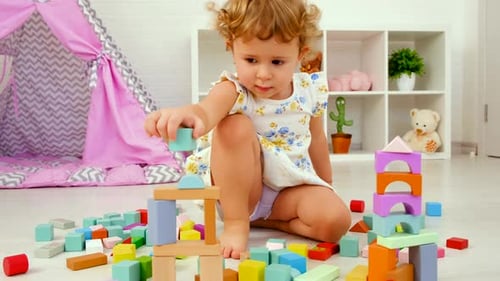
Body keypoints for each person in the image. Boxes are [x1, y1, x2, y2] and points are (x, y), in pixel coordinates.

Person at [144, 0, 351, 259]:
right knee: (234, 125)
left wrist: (326, 187)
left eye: (277, 62)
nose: (263, 74)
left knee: (336, 221)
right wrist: (186, 115)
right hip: (242, 193)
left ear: (299, 55)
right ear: (231, 49)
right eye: (251, 59)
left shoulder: (311, 91)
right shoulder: (233, 89)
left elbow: (318, 141)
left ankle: (266, 222)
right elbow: (205, 112)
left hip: (288, 191)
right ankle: (237, 222)